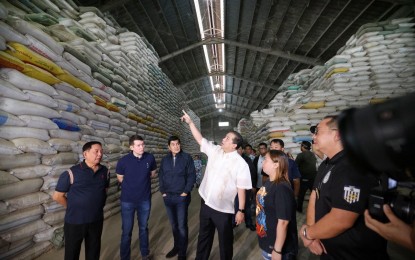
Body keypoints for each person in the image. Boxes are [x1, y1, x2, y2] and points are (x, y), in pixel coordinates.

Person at [299, 116, 388, 259]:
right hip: (329, 250)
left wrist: (307, 233)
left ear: (337, 135)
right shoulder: (326, 164)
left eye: (317, 131)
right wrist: (312, 232)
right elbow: (315, 196)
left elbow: (341, 219)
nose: (313, 135)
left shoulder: (352, 166)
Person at [181, 110, 252, 260]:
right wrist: (190, 123)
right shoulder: (215, 151)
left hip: (223, 209)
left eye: (227, 138)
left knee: (225, 241)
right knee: (204, 236)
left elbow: (241, 189)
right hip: (206, 202)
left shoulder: (241, 164)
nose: (223, 139)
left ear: (234, 145)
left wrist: (240, 210)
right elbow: (200, 140)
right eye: (225, 137)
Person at [53, 141, 110, 260]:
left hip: (96, 219)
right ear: (85, 154)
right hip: (75, 221)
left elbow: (105, 190)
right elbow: (57, 196)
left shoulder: (105, 171)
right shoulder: (71, 173)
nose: (100, 154)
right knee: (72, 253)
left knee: (93, 251)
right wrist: (73, 208)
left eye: (101, 151)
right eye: (96, 151)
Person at [116, 135, 157, 260]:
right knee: (127, 231)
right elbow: (120, 178)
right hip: (127, 201)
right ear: (131, 147)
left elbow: (152, 173)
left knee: (143, 228)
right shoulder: (123, 161)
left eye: (143, 144)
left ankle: (145, 254)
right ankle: (125, 257)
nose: (142, 147)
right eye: (138, 145)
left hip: (144, 200)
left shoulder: (150, 158)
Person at [158, 136, 196, 259]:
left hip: (181, 198)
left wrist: (185, 192)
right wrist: (163, 191)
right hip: (168, 197)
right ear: (169, 147)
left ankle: (182, 253)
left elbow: (191, 176)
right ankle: (176, 246)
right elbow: (161, 175)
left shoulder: (187, 158)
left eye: (178, 144)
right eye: (173, 144)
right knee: (174, 225)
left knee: (181, 225)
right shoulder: (165, 160)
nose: (176, 146)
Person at [256, 150, 298, 260]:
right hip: (267, 241)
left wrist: (277, 250)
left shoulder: (281, 188)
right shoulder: (270, 182)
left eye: (266, 160)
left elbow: (283, 221)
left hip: (277, 247)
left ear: (276, 164)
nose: (263, 162)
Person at [235, 146, 257, 231]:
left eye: (240, 149)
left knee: (247, 206)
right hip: (235, 188)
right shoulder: (232, 159)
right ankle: (235, 222)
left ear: (243, 150)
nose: (238, 151)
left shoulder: (247, 160)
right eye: (236, 149)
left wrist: (253, 186)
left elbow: (253, 173)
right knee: (235, 205)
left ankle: (249, 223)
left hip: (245, 188)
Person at [295, 141, 317, 213]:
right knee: (315, 194)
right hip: (313, 178)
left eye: (301, 146)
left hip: (305, 178)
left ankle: (299, 209)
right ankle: (318, 208)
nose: (300, 147)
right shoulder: (313, 154)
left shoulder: (301, 155)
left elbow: (295, 166)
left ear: (303, 146)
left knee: (301, 195)